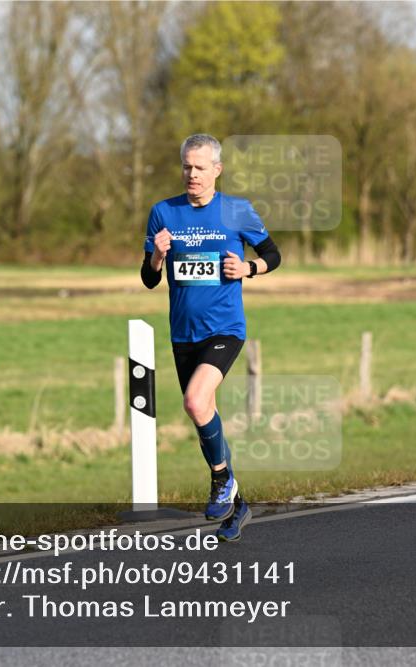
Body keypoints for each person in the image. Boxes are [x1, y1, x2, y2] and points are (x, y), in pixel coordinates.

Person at [140, 134, 282, 540]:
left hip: (224, 329)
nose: (192, 174)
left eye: (200, 167)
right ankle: (237, 505)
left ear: (217, 170)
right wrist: (157, 256)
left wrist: (249, 270)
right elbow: (149, 279)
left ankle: (221, 481)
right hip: (183, 333)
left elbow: (273, 254)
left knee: (194, 401)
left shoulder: (237, 211)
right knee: (204, 413)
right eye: (187, 166)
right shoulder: (163, 213)